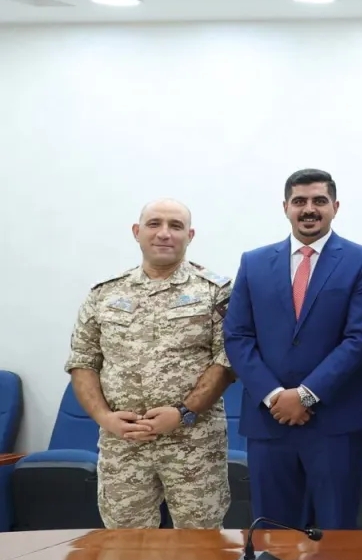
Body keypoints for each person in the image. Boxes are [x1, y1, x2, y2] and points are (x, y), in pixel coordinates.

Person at [223, 169, 362, 529]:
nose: (309, 209)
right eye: (300, 201)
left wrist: (306, 395)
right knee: (271, 535)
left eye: (319, 201)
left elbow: (359, 338)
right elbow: (237, 335)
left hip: (334, 422)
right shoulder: (253, 262)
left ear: (335, 207)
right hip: (269, 420)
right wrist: (275, 396)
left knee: (335, 534)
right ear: (286, 208)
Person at [65, 199, 235, 528]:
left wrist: (183, 412)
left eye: (176, 226)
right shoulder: (104, 294)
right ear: (137, 231)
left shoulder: (216, 291)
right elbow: (83, 361)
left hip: (194, 442)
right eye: (154, 224)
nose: (164, 234)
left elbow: (227, 361)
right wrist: (104, 418)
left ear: (190, 235)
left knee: (200, 543)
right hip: (123, 443)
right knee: (126, 545)